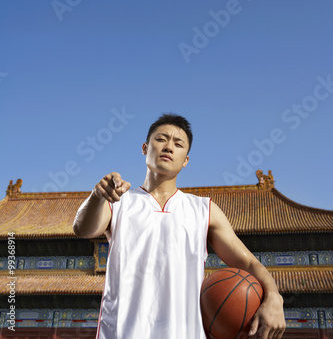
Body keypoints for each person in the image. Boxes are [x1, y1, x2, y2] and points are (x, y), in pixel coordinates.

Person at [73, 114, 286, 339]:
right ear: (145, 148)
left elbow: (246, 261)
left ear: (185, 160)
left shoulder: (204, 210)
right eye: (161, 139)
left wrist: (274, 296)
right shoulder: (119, 201)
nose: (169, 147)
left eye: (178, 143)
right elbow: (83, 229)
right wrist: (97, 196)